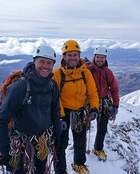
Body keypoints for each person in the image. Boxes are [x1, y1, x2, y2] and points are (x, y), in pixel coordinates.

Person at [0, 45, 62, 173]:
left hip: (42, 140)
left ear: (53, 64)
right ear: (34, 61)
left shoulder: (52, 86)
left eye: (49, 63)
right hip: (20, 143)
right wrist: (5, 152)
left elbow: (55, 111)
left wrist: (58, 136)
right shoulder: (21, 86)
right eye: (41, 61)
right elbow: (1, 121)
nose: (45, 66)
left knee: (40, 170)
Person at [52, 40, 99, 174]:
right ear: (64, 57)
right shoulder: (57, 74)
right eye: (69, 55)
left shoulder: (85, 73)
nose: (72, 58)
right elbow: (55, 98)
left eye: (75, 55)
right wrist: (60, 117)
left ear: (79, 56)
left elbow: (92, 92)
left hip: (79, 112)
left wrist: (94, 108)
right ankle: (60, 171)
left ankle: (79, 163)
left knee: (80, 140)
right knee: (61, 144)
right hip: (63, 113)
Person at [87, 47, 119, 161]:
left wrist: (115, 106)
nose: (99, 59)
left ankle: (98, 148)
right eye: (98, 57)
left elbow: (114, 89)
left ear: (105, 59)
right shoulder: (88, 70)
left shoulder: (108, 72)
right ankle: (79, 153)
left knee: (102, 128)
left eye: (102, 57)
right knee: (83, 128)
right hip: (90, 102)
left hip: (104, 103)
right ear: (94, 57)